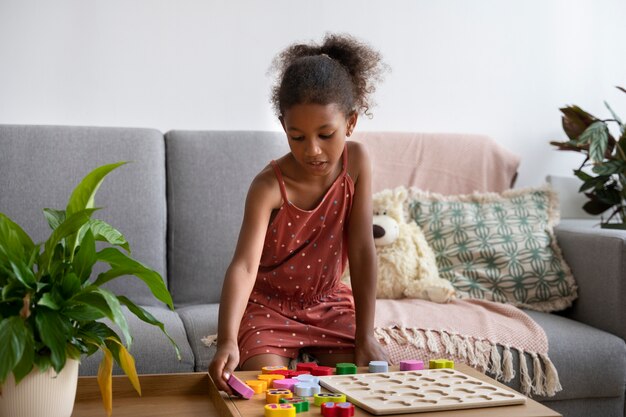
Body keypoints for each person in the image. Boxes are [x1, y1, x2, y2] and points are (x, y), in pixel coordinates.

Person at [209, 33, 389, 395]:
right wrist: (227, 339)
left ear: (351, 123)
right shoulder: (268, 187)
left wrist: (365, 333)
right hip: (269, 307)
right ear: (283, 127)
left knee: (354, 386)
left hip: (328, 303)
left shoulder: (357, 164)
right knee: (266, 388)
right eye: (297, 137)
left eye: (326, 134)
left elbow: (362, 249)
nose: (313, 151)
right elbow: (244, 267)